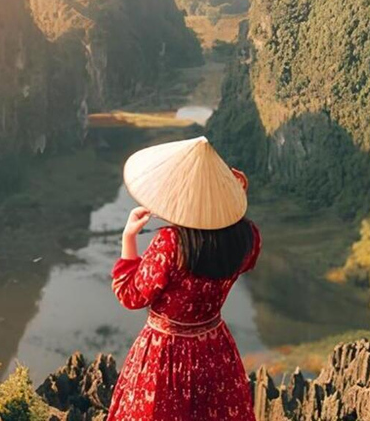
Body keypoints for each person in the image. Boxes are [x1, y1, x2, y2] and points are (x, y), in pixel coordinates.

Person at [107, 136, 261, 421]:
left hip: (165, 355)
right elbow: (242, 264)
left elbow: (130, 295)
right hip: (215, 347)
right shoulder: (247, 236)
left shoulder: (172, 242)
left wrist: (129, 237)